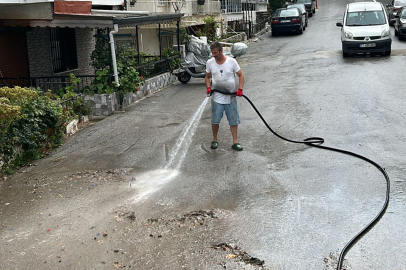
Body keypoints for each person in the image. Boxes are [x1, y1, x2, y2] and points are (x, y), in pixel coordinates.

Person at [205, 42, 245, 151]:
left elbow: (241, 75)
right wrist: (208, 86)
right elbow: (207, 76)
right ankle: (215, 139)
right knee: (215, 120)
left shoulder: (231, 62)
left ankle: (235, 142)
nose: (213, 54)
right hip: (216, 97)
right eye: (212, 52)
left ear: (221, 51)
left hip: (230, 96)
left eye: (215, 52)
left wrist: (240, 88)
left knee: (233, 120)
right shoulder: (210, 63)